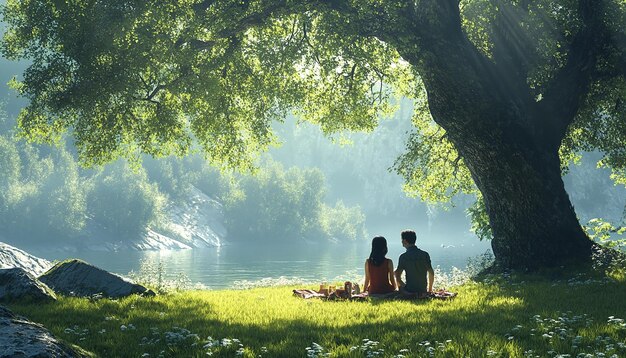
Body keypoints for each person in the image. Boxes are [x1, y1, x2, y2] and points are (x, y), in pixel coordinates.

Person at [395, 230, 434, 297]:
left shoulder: (403, 257)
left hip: (409, 290)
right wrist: (429, 289)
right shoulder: (425, 254)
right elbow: (431, 272)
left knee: (397, 278)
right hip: (423, 290)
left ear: (404, 241)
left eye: (401, 240)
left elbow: (397, 276)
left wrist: (404, 286)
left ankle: (410, 294)